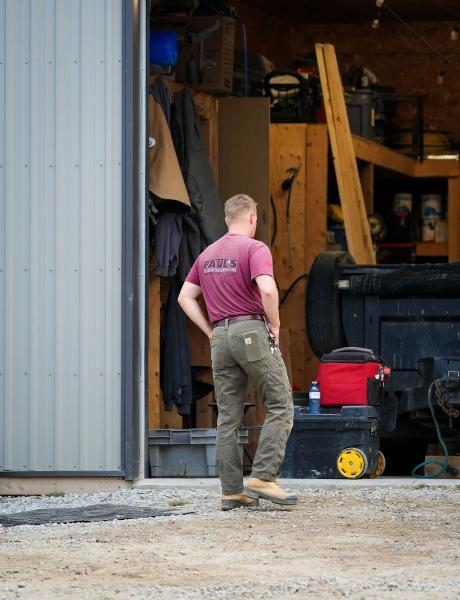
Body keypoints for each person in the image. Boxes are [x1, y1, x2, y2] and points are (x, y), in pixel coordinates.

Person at [178, 193, 297, 510]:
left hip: (221, 337)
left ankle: (231, 491)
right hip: (251, 330)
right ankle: (263, 477)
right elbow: (268, 288)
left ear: (228, 219)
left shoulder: (207, 254)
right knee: (281, 403)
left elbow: (185, 297)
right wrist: (275, 324)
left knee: (227, 418)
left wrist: (209, 331)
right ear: (252, 218)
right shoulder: (255, 248)